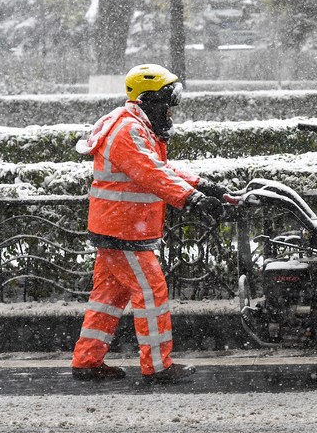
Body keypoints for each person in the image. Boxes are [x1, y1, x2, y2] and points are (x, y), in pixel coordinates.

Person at [71, 64, 228, 383]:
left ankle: (87, 361)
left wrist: (203, 186)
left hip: (115, 228)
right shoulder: (128, 129)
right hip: (123, 231)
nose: (170, 113)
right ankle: (157, 367)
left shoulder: (134, 125)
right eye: (166, 105)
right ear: (148, 101)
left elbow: (160, 167)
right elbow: (151, 173)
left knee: (108, 297)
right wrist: (193, 199)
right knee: (151, 293)